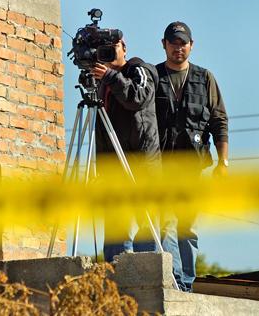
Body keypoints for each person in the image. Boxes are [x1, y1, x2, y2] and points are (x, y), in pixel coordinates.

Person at [155, 21, 229, 291]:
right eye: (173, 42)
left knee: (187, 227)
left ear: (191, 45)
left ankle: (185, 283)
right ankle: (174, 281)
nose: (178, 47)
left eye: (183, 43)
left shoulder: (205, 78)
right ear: (163, 44)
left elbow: (219, 121)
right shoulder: (153, 75)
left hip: (193, 166)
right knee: (165, 225)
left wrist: (223, 162)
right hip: (161, 165)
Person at [90, 38, 161, 262]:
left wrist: (111, 77)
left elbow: (138, 98)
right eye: (104, 50)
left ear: (124, 49)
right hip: (114, 164)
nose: (109, 54)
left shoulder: (139, 69)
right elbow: (101, 130)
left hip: (142, 161)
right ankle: (115, 275)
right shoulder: (102, 82)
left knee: (145, 218)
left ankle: (146, 271)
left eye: (113, 49)